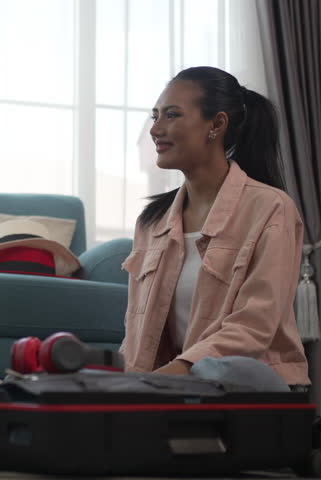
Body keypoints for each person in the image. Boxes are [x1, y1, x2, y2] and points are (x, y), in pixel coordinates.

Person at [119, 66, 310, 389]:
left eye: (172, 115)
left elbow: (252, 327)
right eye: (155, 117)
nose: (156, 129)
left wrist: (158, 382)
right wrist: (123, 385)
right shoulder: (151, 222)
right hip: (176, 389)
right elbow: (136, 336)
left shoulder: (271, 208)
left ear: (217, 124)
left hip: (252, 390)